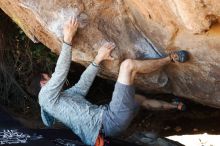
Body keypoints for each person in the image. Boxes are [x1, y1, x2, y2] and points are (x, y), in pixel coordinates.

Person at [33, 17, 189, 146]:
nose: (52, 76)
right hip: (109, 121)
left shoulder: (61, 99)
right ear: (43, 84)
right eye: (48, 77)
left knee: (140, 100)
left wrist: (98, 59)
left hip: (109, 125)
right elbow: (60, 72)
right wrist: (68, 38)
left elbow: (82, 85)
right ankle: (171, 58)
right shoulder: (45, 97)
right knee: (127, 66)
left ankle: (176, 106)